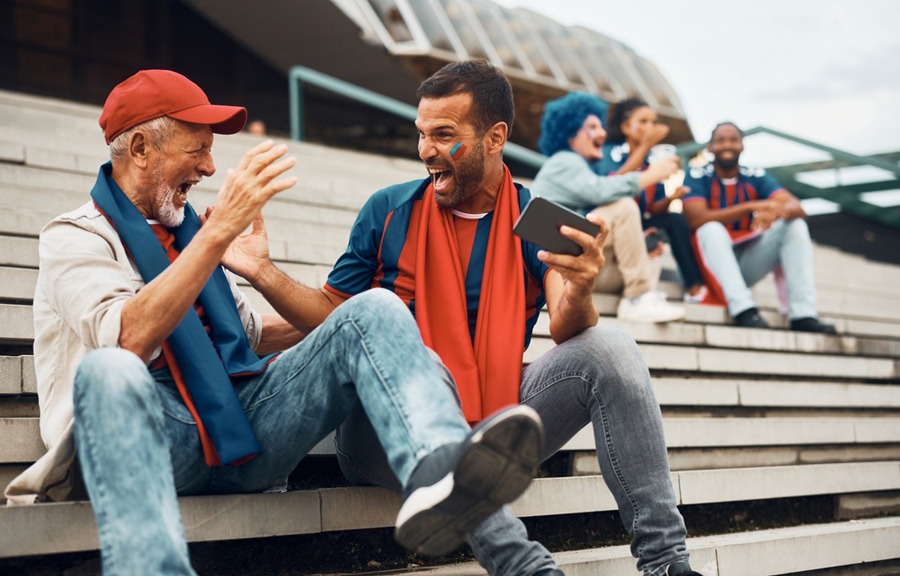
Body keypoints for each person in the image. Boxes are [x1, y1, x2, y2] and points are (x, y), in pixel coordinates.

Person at [3, 69, 546, 575]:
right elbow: (128, 337)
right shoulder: (75, 236)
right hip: (154, 433)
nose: (210, 168)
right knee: (108, 371)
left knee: (376, 308)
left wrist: (294, 289)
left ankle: (465, 502)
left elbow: (251, 337)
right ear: (141, 148)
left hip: (242, 427)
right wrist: (217, 236)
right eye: (198, 149)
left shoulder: (189, 230)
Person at [226, 61, 702, 576]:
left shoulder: (538, 218)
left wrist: (583, 287)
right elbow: (335, 315)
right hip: (381, 434)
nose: (425, 149)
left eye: (444, 135)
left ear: (495, 138)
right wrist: (263, 273)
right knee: (424, 360)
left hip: (500, 419)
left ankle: (667, 563)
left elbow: (567, 325)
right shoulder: (387, 210)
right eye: (422, 133)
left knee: (613, 348)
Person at [530, 92, 686, 323]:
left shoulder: (583, 168)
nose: (603, 133)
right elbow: (600, 191)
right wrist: (649, 176)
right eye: (593, 127)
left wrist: (639, 242)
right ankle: (637, 298)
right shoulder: (563, 160)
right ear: (570, 133)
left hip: (581, 268)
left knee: (651, 250)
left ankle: (640, 299)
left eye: (601, 126)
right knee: (623, 206)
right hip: (556, 269)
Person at [682, 121, 837, 333]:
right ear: (710, 147)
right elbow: (695, 219)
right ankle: (744, 310)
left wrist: (774, 212)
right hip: (708, 266)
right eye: (720, 140)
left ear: (742, 146)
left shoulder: (754, 174)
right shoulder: (697, 173)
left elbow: (797, 207)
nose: (727, 145)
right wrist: (750, 207)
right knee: (711, 228)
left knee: (795, 224)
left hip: (745, 262)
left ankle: (803, 314)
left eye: (733, 140)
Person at [597, 98, 708, 303]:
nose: (650, 127)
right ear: (625, 127)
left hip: (638, 222)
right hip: (610, 221)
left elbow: (653, 209)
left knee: (675, 219)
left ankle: (695, 286)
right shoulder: (609, 152)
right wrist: (644, 147)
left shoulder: (651, 160)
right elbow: (611, 186)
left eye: (653, 122)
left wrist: (671, 198)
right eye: (643, 121)